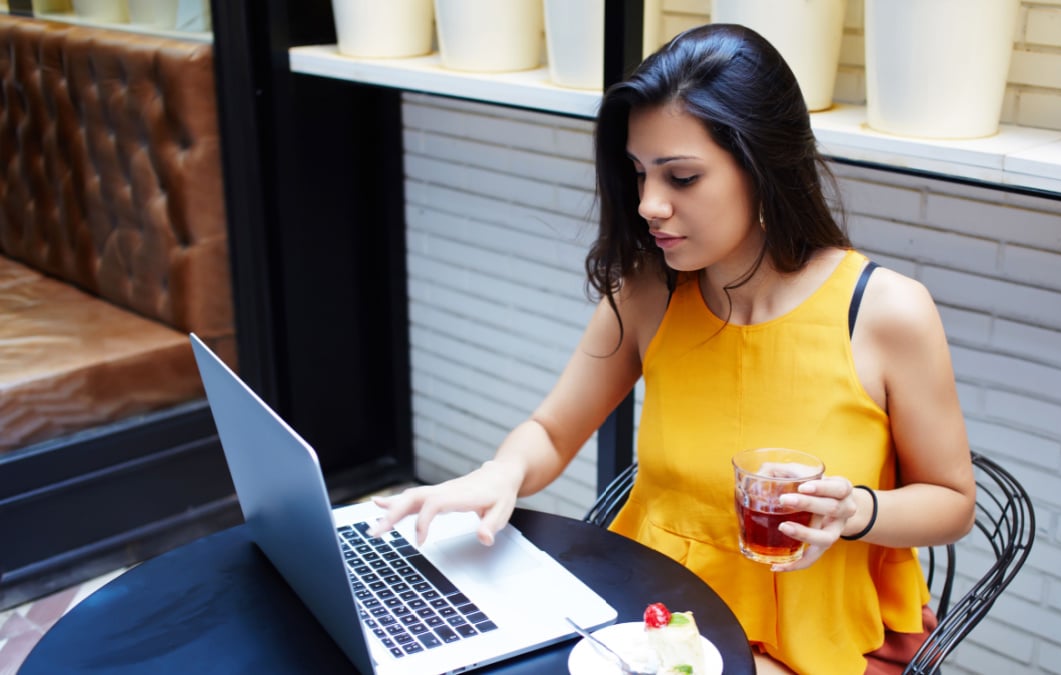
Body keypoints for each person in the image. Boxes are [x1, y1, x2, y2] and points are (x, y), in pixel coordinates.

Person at [369, 23, 976, 675]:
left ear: (765, 169)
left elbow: (951, 500)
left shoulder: (885, 312)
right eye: (638, 173)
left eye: (681, 177)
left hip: (822, 645)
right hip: (654, 624)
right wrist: (500, 473)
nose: (649, 205)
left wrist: (858, 509)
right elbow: (550, 431)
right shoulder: (648, 294)